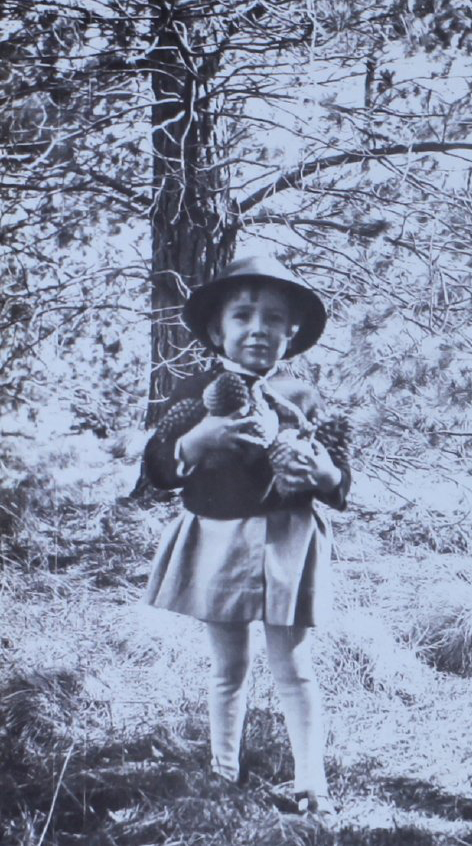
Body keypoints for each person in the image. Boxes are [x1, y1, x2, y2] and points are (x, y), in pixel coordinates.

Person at [143, 255, 350, 818]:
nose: (258, 328)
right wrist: (197, 439)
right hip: (219, 541)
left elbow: (340, 477)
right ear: (218, 329)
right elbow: (158, 467)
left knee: (295, 666)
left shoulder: (304, 398)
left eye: (274, 318)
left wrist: (326, 475)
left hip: (287, 542)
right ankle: (222, 772)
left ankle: (312, 782)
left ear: (293, 332)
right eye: (243, 316)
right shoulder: (195, 390)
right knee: (227, 666)